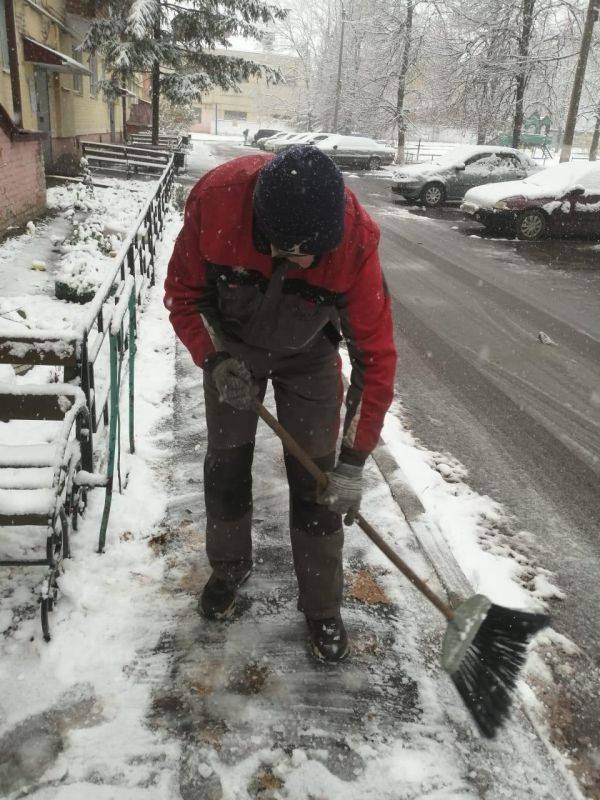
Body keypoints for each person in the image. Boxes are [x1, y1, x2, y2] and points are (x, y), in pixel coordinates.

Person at [164, 146, 396, 663]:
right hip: (232, 349)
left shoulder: (355, 243)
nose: (300, 263)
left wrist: (354, 461)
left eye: (310, 255)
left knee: (317, 484)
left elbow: (375, 360)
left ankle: (320, 605)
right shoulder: (217, 202)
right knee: (226, 465)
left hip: (309, 354)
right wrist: (215, 360)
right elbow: (184, 295)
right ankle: (228, 568)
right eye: (289, 253)